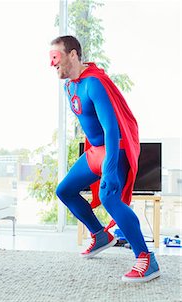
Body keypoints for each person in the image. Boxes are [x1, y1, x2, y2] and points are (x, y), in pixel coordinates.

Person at [49, 35, 160, 283]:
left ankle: (146, 259)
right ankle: (100, 236)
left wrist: (109, 168)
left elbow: (112, 129)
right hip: (96, 150)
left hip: (114, 148)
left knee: (110, 198)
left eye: (56, 57)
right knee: (65, 190)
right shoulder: (70, 86)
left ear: (73, 54)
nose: (52, 64)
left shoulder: (95, 83)